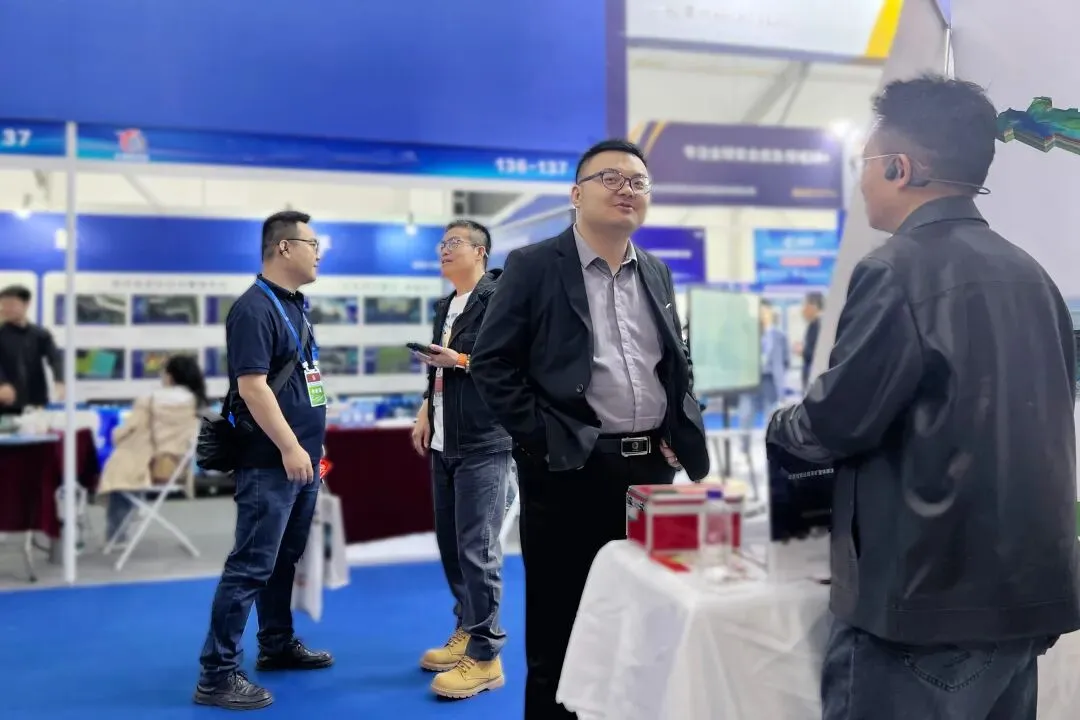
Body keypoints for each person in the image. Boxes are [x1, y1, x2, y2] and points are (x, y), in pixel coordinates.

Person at [766, 75, 1080, 719]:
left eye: (866, 163)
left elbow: (838, 421)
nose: (862, 181)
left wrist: (782, 426)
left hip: (924, 603)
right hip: (1025, 597)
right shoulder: (1033, 276)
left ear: (899, 168)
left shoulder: (896, 269)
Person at [471, 138, 710, 719]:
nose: (627, 189)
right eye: (612, 178)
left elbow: (675, 361)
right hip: (570, 470)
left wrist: (677, 425)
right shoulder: (534, 266)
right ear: (577, 194)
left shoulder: (655, 271)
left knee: (650, 618)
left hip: (652, 476)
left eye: (639, 181)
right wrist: (544, 439)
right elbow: (492, 364)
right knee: (564, 627)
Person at [194, 210, 332, 711]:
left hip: (302, 460)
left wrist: (312, 447)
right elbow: (253, 387)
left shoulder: (295, 305)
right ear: (285, 247)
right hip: (271, 462)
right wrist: (291, 447)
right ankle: (217, 674)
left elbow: (303, 380)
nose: (319, 254)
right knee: (251, 565)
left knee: (282, 560)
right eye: (313, 244)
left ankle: (275, 643)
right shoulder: (254, 308)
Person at [410, 219, 512, 700]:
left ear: (481, 252)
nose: (444, 250)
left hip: (484, 441)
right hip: (444, 440)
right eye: (442, 244)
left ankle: (487, 657)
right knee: (452, 546)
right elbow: (438, 371)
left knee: (478, 549)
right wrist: (425, 408)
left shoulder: (500, 298)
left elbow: (514, 364)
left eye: (454, 243)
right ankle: (467, 630)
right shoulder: (444, 305)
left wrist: (463, 362)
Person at [98, 354, 207, 543]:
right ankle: (130, 515)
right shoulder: (195, 404)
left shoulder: (149, 400)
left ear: (170, 377)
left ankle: (116, 533)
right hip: (174, 469)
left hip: (146, 466)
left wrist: (116, 436)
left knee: (121, 467)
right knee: (130, 464)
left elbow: (128, 429)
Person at [0, 284, 63, 414]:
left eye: (11, 304)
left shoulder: (40, 334)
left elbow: (55, 358)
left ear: (26, 304)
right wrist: (2, 383)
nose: (6, 309)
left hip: (35, 399)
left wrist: (60, 380)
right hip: (5, 399)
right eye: (4, 305)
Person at [798, 291, 822, 390]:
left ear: (813, 306)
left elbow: (818, 353)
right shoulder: (813, 325)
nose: (802, 309)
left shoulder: (819, 325)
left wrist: (802, 351)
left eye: (805, 305)